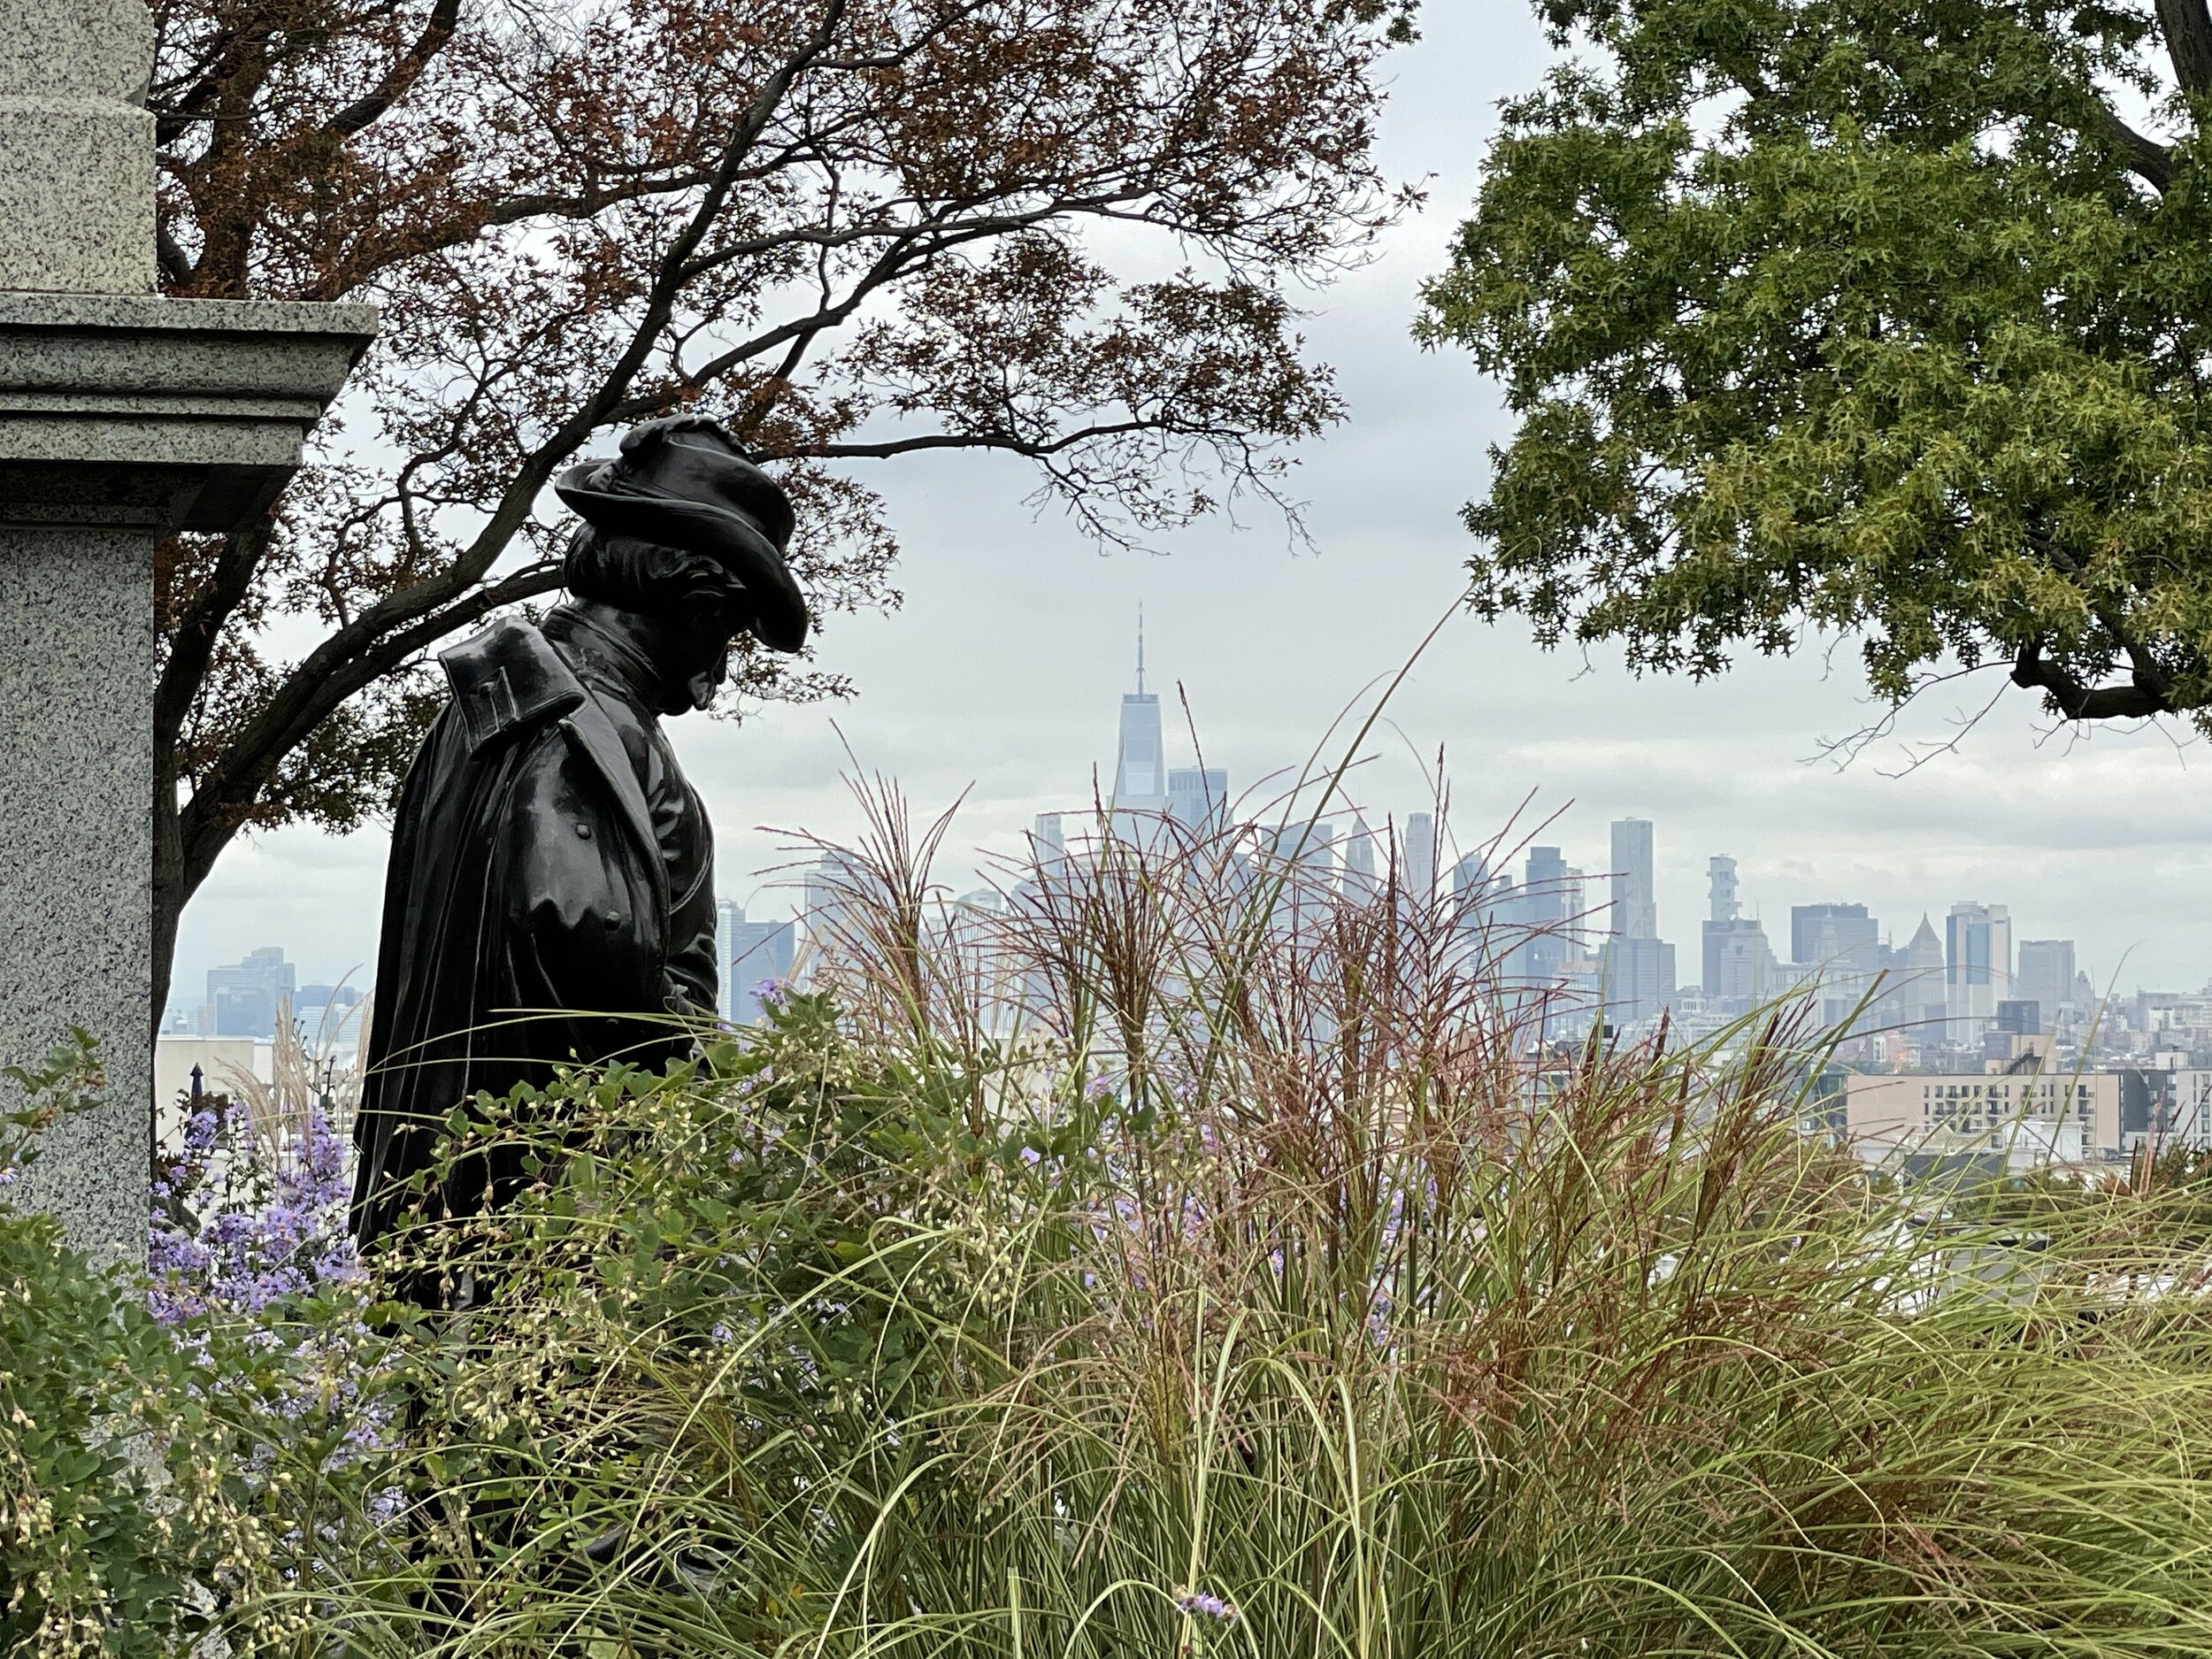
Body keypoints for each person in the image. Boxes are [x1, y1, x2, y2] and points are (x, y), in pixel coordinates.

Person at [349, 415, 807, 1255]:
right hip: (556, 1218)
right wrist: (702, 1100)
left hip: (451, 1203)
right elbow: (586, 939)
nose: (721, 672)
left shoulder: (490, 707)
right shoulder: (576, 730)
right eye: (728, 631)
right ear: (692, 596)